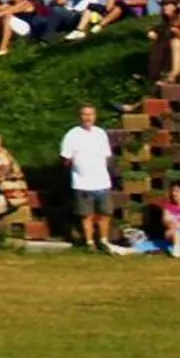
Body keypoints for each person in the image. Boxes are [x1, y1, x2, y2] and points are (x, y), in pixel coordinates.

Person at [59, 103, 118, 252]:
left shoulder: (100, 134)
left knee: (105, 213)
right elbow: (66, 158)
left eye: (91, 114)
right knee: (87, 215)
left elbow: (106, 156)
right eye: (85, 114)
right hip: (82, 183)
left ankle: (104, 240)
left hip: (102, 182)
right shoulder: (72, 134)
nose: (88, 117)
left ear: (95, 116)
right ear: (80, 116)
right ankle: (89, 242)